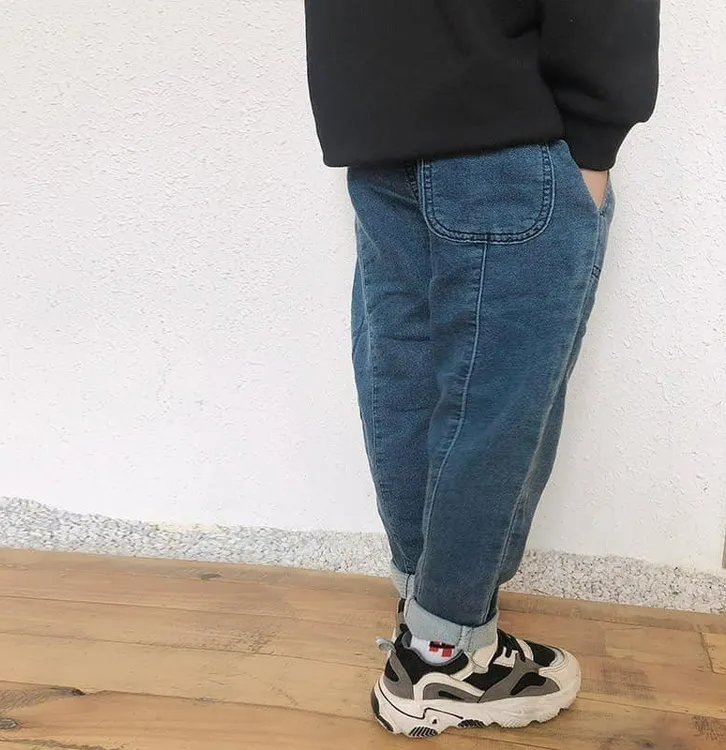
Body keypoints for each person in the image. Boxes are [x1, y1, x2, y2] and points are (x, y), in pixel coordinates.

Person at [304, 0, 660, 738]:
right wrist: (596, 140)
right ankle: (446, 654)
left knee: (405, 380)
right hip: (510, 139)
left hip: (378, 127)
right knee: (498, 403)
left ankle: (424, 615)